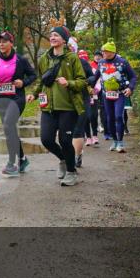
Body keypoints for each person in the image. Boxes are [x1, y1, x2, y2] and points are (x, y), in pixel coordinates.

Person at [27, 26, 87, 187]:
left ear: (64, 40)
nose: (52, 37)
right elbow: (41, 80)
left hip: (68, 107)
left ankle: (71, 172)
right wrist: (34, 93)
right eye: (51, 35)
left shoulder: (72, 58)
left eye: (56, 35)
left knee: (65, 140)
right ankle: (63, 159)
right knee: (46, 139)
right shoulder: (44, 59)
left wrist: (69, 83)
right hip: (48, 106)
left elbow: (82, 81)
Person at [0, 29, 37, 177]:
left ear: (11, 43)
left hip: (17, 98)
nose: (1, 44)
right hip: (2, 99)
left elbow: (33, 75)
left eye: (4, 41)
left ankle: (12, 164)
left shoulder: (21, 60)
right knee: (9, 130)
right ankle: (22, 159)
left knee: (8, 126)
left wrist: (23, 82)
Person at [99, 40, 137, 152]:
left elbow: (133, 77)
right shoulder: (101, 62)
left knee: (118, 117)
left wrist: (130, 88)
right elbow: (96, 76)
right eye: (102, 51)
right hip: (106, 95)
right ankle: (114, 141)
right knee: (109, 118)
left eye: (105, 51)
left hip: (119, 94)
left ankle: (120, 143)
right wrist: (89, 85)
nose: (103, 53)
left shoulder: (122, 62)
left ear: (111, 52)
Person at [71, 45, 98, 168]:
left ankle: (78, 154)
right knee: (66, 131)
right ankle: (69, 155)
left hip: (82, 98)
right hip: (65, 100)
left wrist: (88, 81)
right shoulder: (55, 63)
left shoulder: (82, 62)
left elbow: (92, 76)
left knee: (78, 128)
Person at [84, 50, 104, 147]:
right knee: (86, 117)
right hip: (82, 96)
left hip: (93, 95)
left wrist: (96, 89)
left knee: (94, 115)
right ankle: (88, 137)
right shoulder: (74, 68)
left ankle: (95, 135)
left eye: (84, 58)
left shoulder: (91, 68)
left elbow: (97, 80)